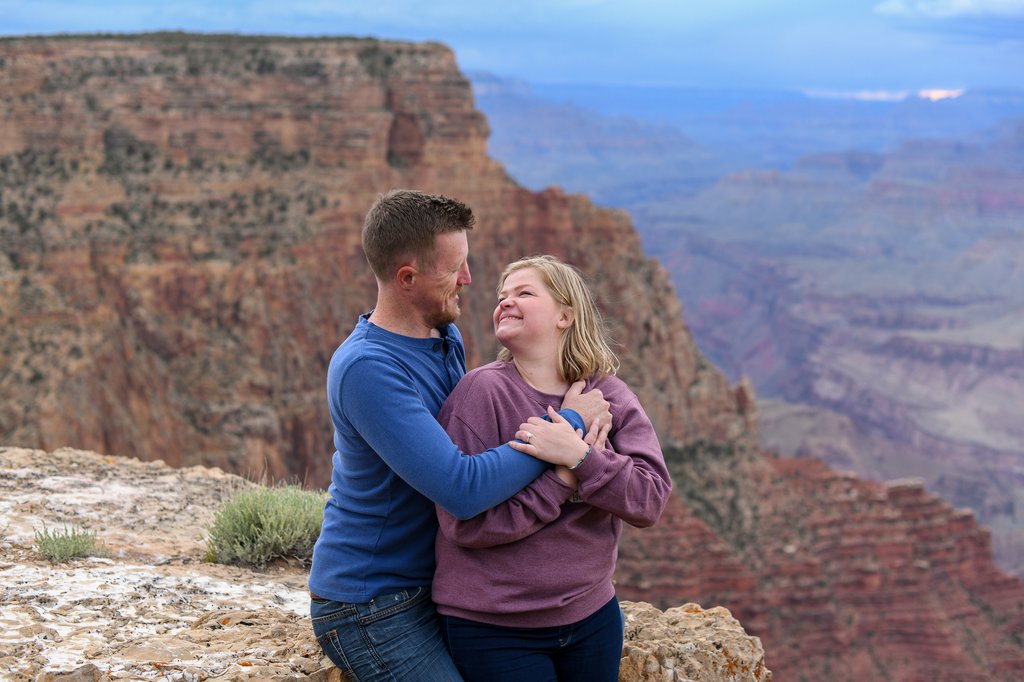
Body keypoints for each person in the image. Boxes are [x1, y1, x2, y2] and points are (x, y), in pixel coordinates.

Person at [308, 191, 611, 681]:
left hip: (440, 587)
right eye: (454, 269)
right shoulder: (368, 368)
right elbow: (461, 488)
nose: (469, 278)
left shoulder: (443, 336)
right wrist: (568, 428)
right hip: (372, 604)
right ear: (408, 278)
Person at [433, 255, 672, 682]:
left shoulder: (606, 396)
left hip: (592, 617)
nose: (505, 302)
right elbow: (464, 526)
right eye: (501, 296)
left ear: (566, 315)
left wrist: (581, 458)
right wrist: (563, 480)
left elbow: (649, 499)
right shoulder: (481, 392)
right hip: (493, 628)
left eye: (524, 292)